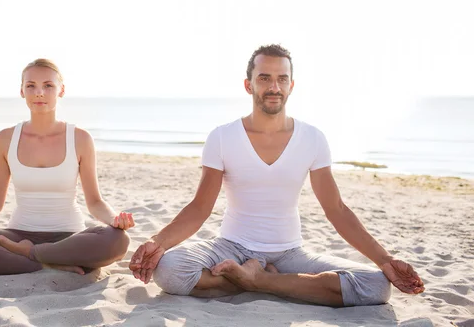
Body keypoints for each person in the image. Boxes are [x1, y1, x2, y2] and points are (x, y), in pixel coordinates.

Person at [129, 45, 425, 306]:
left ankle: (257, 281)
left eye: (282, 78)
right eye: (264, 78)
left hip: (289, 254)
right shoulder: (222, 137)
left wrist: (385, 261)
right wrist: (159, 242)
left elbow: (336, 209)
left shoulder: (312, 138)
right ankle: (267, 282)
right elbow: (200, 208)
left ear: (291, 85)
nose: (274, 86)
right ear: (248, 85)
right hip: (231, 246)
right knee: (169, 269)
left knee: (375, 285)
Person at [0, 59, 133, 275]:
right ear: (21, 91)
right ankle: (45, 261)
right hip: (17, 234)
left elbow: (95, 202)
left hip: (70, 238)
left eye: (48, 86)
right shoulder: (6, 138)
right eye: (31, 86)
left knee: (117, 240)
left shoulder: (80, 138)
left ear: (61, 90)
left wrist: (114, 220)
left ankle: (32, 254)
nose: (39, 93)